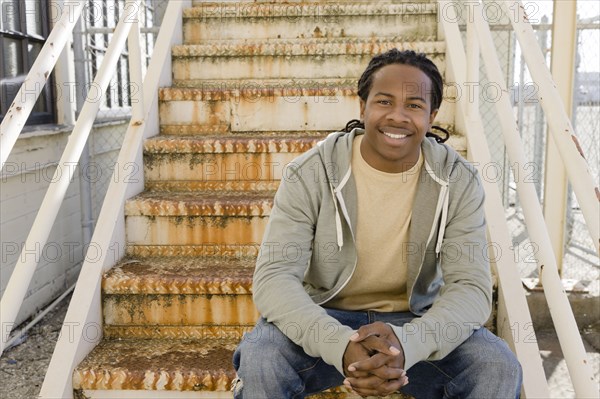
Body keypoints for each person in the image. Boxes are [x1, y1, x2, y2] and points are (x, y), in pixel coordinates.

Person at [232, 49, 522, 398]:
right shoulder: (309, 172)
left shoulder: (458, 180)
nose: (397, 116)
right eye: (384, 101)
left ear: (432, 116)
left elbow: (470, 288)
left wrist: (408, 343)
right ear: (363, 108)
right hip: (323, 317)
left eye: (414, 105)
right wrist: (340, 344)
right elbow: (274, 278)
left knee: (496, 364)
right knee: (262, 356)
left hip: (414, 322)